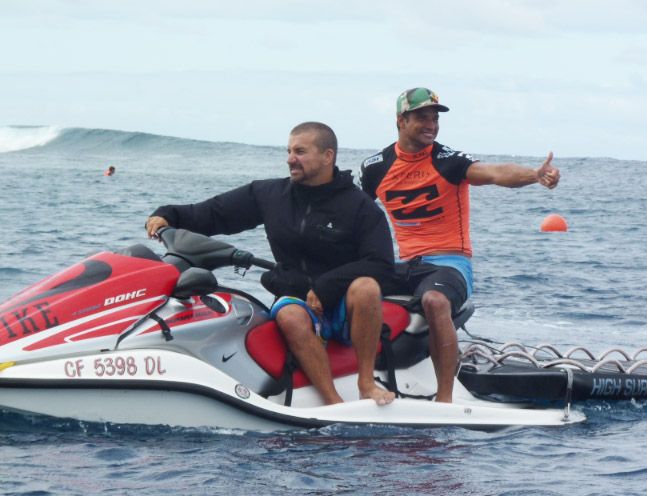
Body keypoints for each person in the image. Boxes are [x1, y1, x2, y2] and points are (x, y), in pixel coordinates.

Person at [146, 122, 396, 406]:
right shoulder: (270, 195)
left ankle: (366, 384)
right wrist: (168, 215)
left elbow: (382, 264)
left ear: (328, 156)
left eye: (300, 151)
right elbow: (214, 213)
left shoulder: (360, 206)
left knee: (366, 287)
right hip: (297, 297)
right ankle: (333, 403)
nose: (290, 159)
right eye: (289, 151)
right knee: (289, 315)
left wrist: (327, 286)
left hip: (343, 302)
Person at [360, 87, 560, 403]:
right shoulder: (376, 167)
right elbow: (354, 211)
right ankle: (357, 378)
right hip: (406, 265)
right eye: (422, 118)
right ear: (401, 121)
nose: (431, 125)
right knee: (353, 286)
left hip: (449, 264)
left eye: (434, 119)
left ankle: (445, 399)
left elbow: (494, 173)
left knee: (435, 301)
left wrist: (534, 175)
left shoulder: (447, 161)